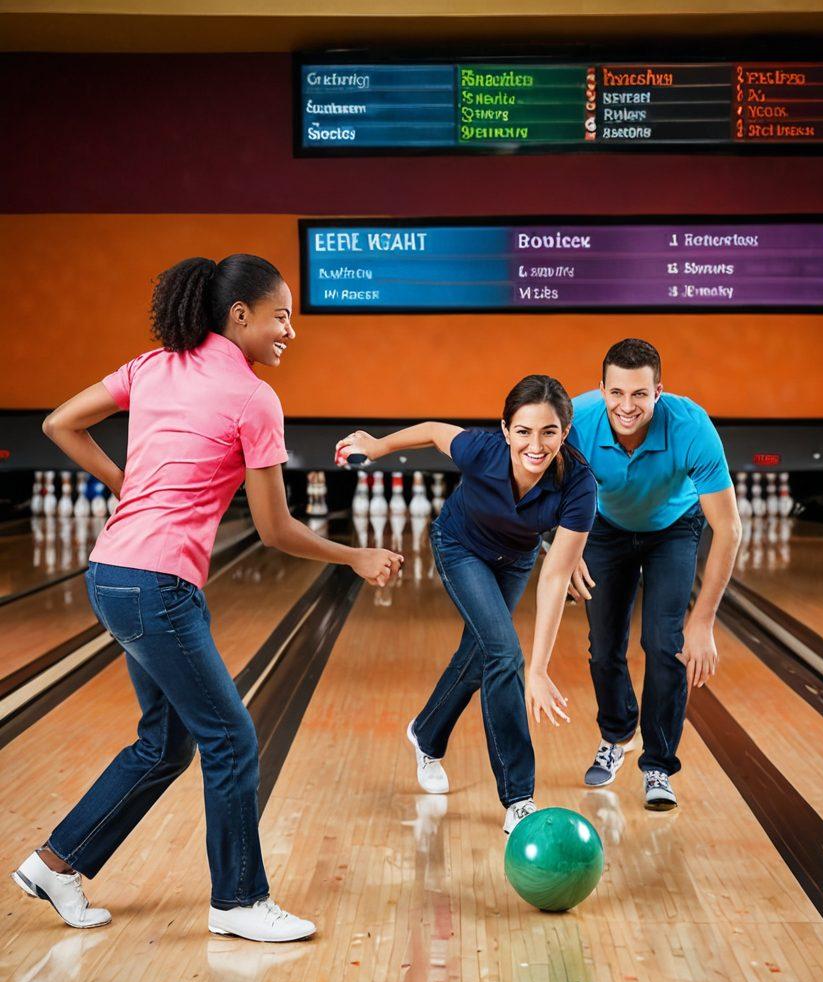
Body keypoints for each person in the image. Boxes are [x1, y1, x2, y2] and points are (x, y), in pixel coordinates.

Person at [12, 254, 402, 941]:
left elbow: (57, 424)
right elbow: (276, 530)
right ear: (239, 315)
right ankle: (239, 902)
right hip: (159, 588)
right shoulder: (255, 400)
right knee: (230, 738)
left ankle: (57, 863)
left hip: (111, 574)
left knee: (165, 744)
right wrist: (356, 553)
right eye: (281, 315)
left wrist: (123, 482)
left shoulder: (151, 366)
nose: (290, 329)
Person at [335, 374, 597, 833]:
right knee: (503, 654)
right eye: (523, 431)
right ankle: (519, 798)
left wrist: (541, 668)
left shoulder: (579, 485)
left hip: (514, 561)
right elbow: (437, 432)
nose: (535, 445)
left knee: (482, 656)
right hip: (460, 547)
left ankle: (426, 732)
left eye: (549, 432)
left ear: (565, 432)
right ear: (505, 429)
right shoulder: (482, 450)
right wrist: (378, 447)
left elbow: (555, 576)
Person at [568, 337, 742, 810]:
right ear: (601, 389)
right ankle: (617, 732)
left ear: (658, 391)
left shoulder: (691, 427)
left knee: (666, 643)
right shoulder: (576, 421)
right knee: (604, 647)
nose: (627, 406)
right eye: (617, 393)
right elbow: (546, 484)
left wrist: (703, 621)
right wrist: (564, 552)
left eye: (640, 394)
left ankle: (659, 766)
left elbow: (728, 529)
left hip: (673, 528)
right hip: (604, 526)